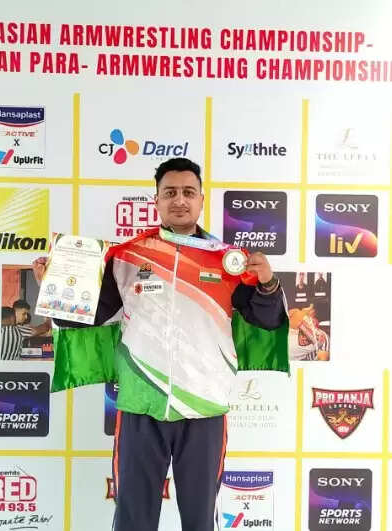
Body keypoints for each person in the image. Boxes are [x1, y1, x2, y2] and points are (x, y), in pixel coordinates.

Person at [34, 157, 288, 531]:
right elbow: (90, 316)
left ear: (201, 200)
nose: (179, 200)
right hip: (141, 405)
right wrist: (54, 290)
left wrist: (268, 284)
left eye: (188, 192)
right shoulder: (128, 256)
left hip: (203, 407)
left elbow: (265, 321)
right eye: (170, 193)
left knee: (199, 521)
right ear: (156, 200)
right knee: (134, 520)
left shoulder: (228, 261)